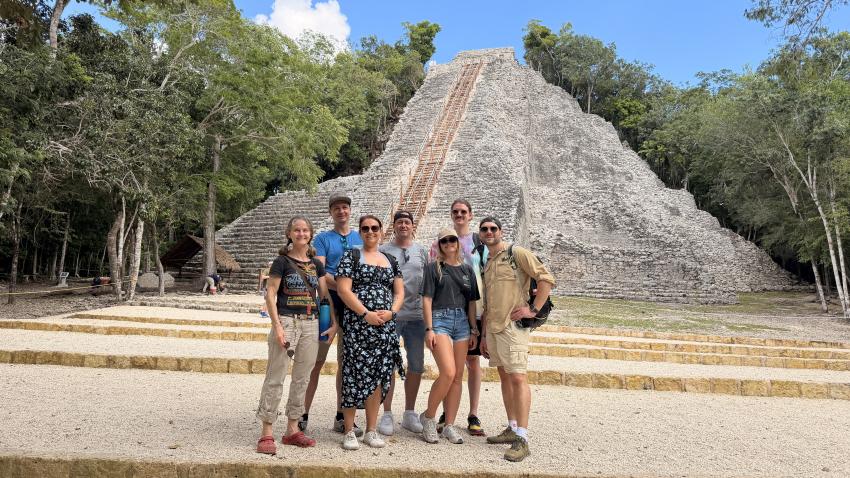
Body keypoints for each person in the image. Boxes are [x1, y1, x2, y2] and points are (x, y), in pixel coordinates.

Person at [256, 216, 338, 455]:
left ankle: (293, 428)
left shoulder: (316, 265)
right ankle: (267, 432)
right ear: (289, 234)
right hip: (288, 320)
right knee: (276, 375)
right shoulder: (281, 262)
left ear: (310, 234)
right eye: (297, 230)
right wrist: (278, 326)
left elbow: (323, 295)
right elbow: (270, 295)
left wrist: (333, 322)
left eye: (305, 230)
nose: (301, 234)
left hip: (311, 322)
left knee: (303, 377)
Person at [478, 216, 555, 462]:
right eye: (484, 229)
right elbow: (488, 301)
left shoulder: (516, 253)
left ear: (500, 231)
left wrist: (533, 309)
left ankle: (523, 437)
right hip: (494, 327)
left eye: (493, 228)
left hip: (513, 327)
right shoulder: (488, 261)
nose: (489, 232)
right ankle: (512, 427)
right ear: (480, 234)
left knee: (519, 378)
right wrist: (483, 335)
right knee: (504, 376)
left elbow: (546, 278)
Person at [335, 215, 405, 450]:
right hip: (358, 324)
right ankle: (348, 430)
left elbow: (399, 293)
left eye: (374, 228)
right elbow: (344, 290)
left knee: (377, 376)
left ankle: (371, 430)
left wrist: (391, 313)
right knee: (353, 373)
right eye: (365, 228)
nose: (370, 232)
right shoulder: (352, 255)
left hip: (384, 326)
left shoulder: (391, 259)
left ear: (381, 231)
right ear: (360, 231)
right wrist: (366, 314)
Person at [302, 192, 364, 436]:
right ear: (331, 212)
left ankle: (342, 414)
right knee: (315, 362)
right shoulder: (323, 238)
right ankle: (302, 413)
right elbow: (320, 272)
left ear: (350, 210)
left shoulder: (360, 237)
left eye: (345, 207)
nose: (341, 211)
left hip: (353, 307)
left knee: (346, 363)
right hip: (328, 304)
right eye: (337, 208)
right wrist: (345, 289)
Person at [428, 198, 488, 436]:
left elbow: (486, 275)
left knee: (472, 363)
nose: (459, 215)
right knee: (449, 368)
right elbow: (434, 276)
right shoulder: (439, 244)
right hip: (445, 309)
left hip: (474, 307)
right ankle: (443, 413)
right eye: (456, 211)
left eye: (463, 211)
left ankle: (472, 413)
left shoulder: (478, 242)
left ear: (470, 215)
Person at [420, 228, 480, 445]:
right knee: (448, 372)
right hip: (440, 319)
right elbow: (426, 299)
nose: (448, 243)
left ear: (457, 242)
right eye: (443, 240)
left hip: (462, 322)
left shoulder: (466, 270)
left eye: (452, 239)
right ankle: (428, 417)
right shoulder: (433, 267)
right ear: (439, 245)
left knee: (457, 377)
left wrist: (474, 329)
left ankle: (450, 425)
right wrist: (429, 329)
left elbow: (472, 302)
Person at [377, 210, 428, 436]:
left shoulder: (421, 251)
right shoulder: (383, 251)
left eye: (407, 222)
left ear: (412, 225)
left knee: (416, 364)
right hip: (391, 315)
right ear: (394, 225)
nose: (404, 225)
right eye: (400, 222)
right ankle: (387, 413)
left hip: (416, 316)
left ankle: (409, 412)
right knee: (387, 363)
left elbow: (428, 282)